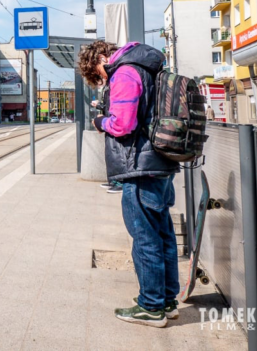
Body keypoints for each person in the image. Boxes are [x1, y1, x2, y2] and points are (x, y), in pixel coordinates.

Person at [78, 40, 180, 328]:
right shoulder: (147, 67)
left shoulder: (124, 72)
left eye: (98, 73)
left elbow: (123, 125)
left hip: (139, 167)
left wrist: (101, 122)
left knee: (145, 238)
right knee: (163, 235)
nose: (103, 78)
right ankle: (167, 301)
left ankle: (151, 306)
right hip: (158, 163)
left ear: (101, 57)